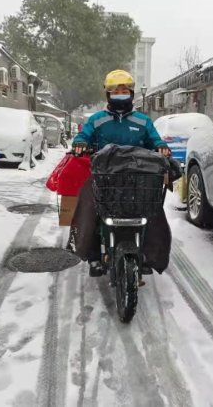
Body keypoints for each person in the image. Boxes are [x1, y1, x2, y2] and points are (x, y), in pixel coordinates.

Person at [69, 69, 172, 280]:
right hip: (104, 178)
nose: (120, 95)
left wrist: (160, 146)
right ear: (108, 94)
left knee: (154, 209)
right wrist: (80, 143)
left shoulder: (143, 121)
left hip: (138, 178)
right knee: (88, 204)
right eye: (115, 91)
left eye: (124, 91)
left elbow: (155, 139)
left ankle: (151, 255)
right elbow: (83, 135)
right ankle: (92, 254)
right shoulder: (97, 119)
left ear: (132, 93)